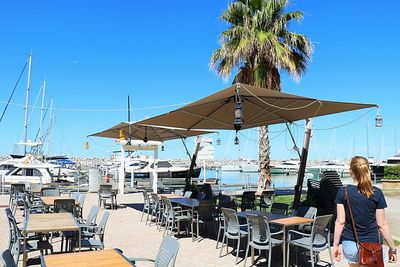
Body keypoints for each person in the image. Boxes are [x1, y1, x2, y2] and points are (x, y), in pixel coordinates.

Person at [333, 156, 397, 266]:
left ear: (351, 171)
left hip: (351, 244)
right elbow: (382, 225)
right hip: (372, 246)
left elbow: (340, 222)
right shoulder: (376, 193)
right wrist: (392, 248)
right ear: (367, 170)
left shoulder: (343, 192)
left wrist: (335, 245)